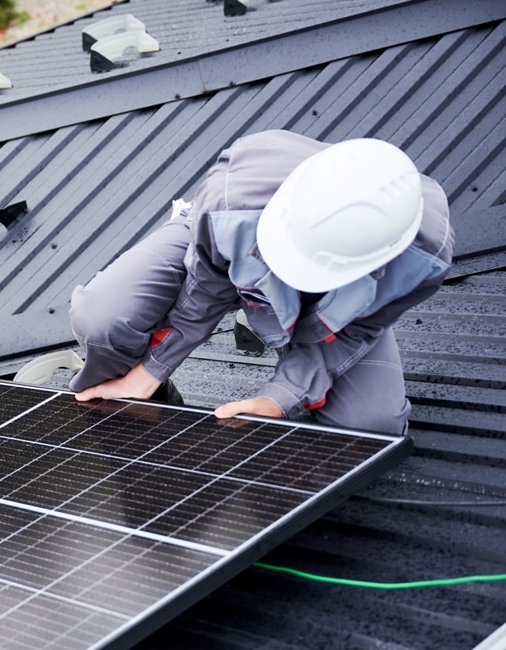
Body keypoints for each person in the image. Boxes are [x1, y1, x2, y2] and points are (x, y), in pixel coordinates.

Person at [68, 129, 452, 435]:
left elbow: (358, 329)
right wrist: (150, 372)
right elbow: (204, 291)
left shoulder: (425, 257)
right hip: (230, 235)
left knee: (371, 429)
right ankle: (149, 406)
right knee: (103, 319)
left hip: (334, 313)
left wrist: (280, 397)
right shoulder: (231, 196)